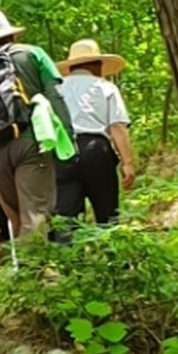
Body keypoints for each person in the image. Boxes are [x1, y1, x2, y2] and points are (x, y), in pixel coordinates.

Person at [0, 10, 74, 241]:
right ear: (10, 34)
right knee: (35, 214)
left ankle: (26, 260)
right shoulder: (32, 54)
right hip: (30, 143)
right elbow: (56, 96)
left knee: (18, 221)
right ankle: (38, 262)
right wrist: (69, 137)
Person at [56, 38, 135, 225]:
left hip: (63, 151)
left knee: (66, 218)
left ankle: (66, 243)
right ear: (96, 65)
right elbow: (117, 127)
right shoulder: (106, 87)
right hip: (97, 151)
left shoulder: (56, 89)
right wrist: (127, 163)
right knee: (107, 212)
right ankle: (109, 242)